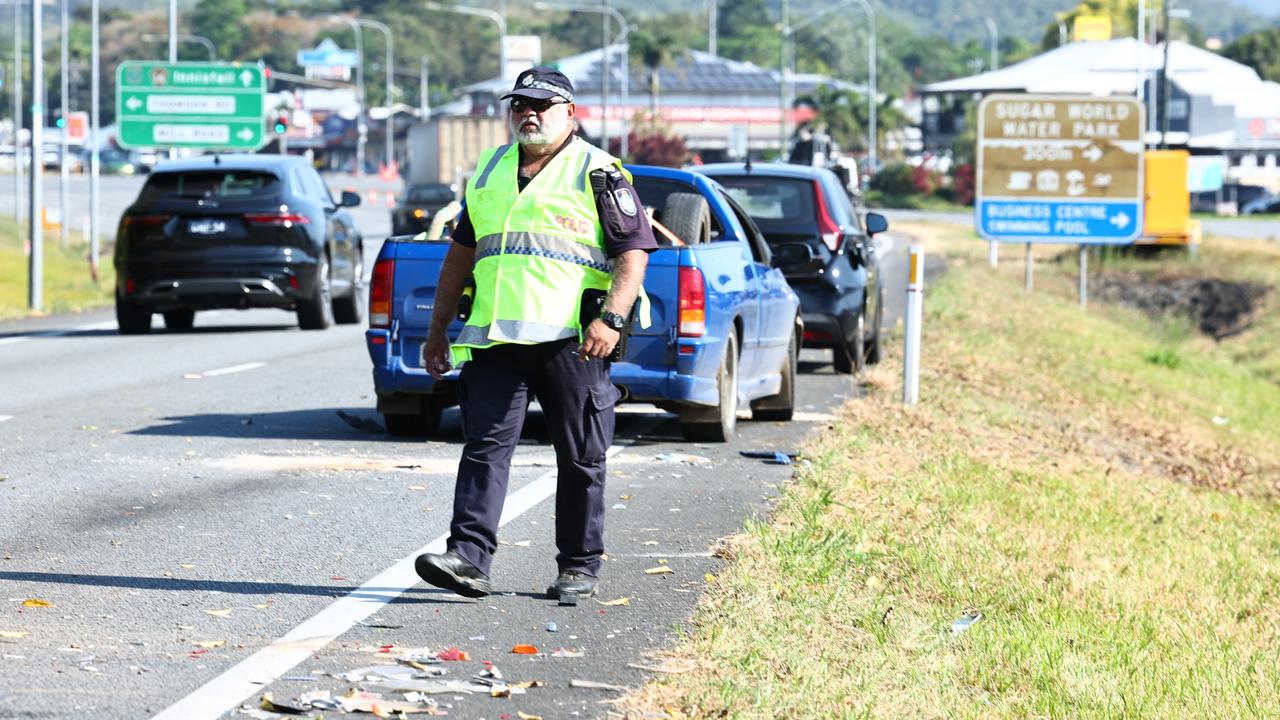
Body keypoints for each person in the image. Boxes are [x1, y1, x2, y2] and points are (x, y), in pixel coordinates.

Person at [414, 67, 657, 601]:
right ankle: (468, 560)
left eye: (541, 105)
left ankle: (578, 566)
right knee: (483, 449)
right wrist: (438, 330)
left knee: (580, 458)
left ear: (570, 114)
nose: (528, 113)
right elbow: (460, 256)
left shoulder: (598, 171)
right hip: (498, 338)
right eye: (520, 104)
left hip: (573, 341)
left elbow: (633, 254)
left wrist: (611, 319)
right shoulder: (491, 167)